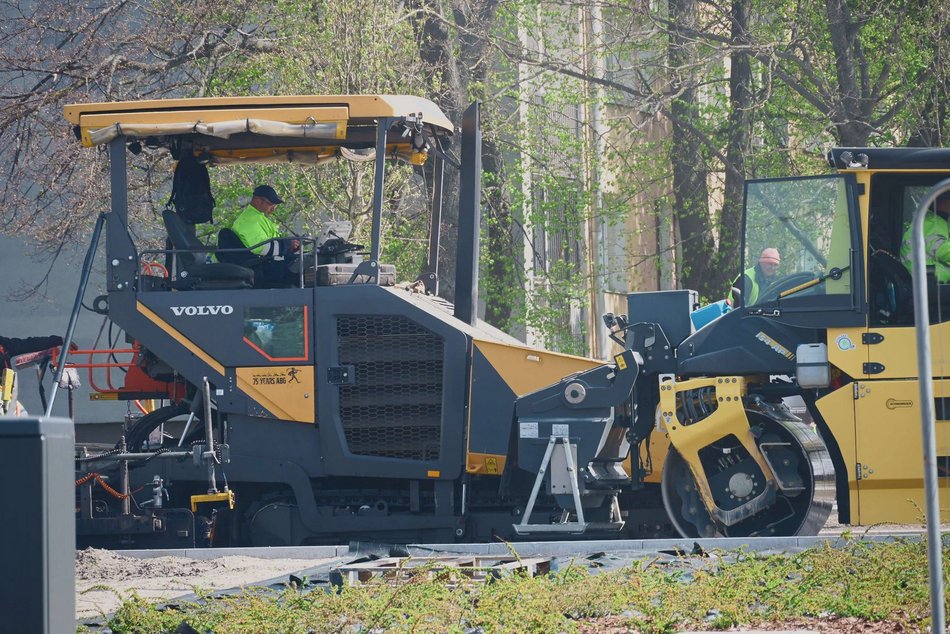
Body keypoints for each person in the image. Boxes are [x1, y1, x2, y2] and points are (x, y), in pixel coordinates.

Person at [230, 185, 300, 286]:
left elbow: (274, 244)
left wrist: (290, 248)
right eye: (271, 204)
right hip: (261, 269)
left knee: (302, 260)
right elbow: (261, 247)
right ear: (258, 201)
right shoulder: (249, 220)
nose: (273, 209)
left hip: (267, 264)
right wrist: (287, 244)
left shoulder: (259, 218)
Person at [900, 193, 950, 282]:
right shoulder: (933, 222)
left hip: (923, 270)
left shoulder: (936, 220)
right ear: (942, 202)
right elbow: (940, 249)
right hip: (923, 274)